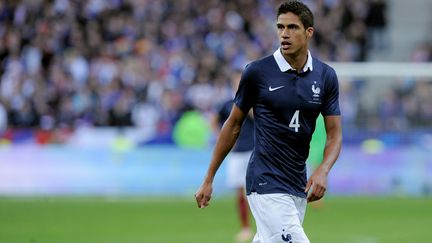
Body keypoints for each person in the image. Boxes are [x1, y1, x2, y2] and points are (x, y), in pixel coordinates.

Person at [195, 1, 342, 243]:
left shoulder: (325, 76)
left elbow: (335, 133)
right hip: (265, 180)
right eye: (280, 27)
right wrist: (209, 177)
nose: (284, 34)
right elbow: (233, 124)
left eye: (292, 27)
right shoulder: (257, 72)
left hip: (297, 182)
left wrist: (323, 170)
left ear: (309, 32)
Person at [211, 70, 254, 242]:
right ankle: (245, 228)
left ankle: (264, 227)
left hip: (254, 150)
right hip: (236, 153)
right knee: (240, 192)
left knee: (258, 192)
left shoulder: (254, 102)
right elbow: (214, 121)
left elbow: (258, 118)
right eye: (236, 82)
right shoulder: (227, 104)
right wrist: (220, 138)